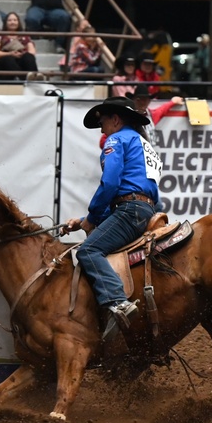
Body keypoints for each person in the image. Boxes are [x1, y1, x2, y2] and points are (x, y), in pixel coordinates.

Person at [63, 96, 161, 335]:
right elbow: (124, 190)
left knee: (88, 250)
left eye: (103, 123)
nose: (102, 131)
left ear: (115, 120)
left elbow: (110, 184)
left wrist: (92, 217)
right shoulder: (142, 142)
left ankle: (118, 302)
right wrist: (84, 221)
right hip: (144, 210)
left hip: (130, 210)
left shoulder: (117, 139)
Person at [0, 10, 37, 79]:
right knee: (8, 59)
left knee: (28, 56)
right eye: (10, 20)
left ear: (18, 22)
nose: (12, 22)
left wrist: (20, 54)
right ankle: (23, 77)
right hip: (4, 63)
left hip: (20, 58)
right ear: (5, 22)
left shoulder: (25, 35)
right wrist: (10, 53)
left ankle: (35, 78)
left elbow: (32, 51)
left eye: (15, 20)